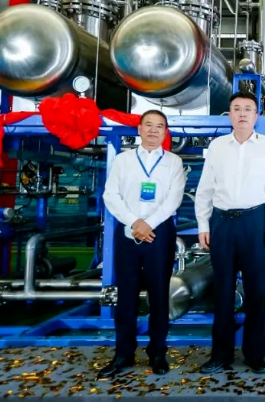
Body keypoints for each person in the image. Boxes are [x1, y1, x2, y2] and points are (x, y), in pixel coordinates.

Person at [194, 91, 265, 374]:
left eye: (248, 109)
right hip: (222, 223)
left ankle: (254, 354)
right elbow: (205, 188)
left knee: (256, 290)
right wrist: (203, 224)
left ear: (256, 115)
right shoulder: (217, 147)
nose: (242, 114)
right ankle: (220, 355)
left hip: (255, 222)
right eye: (236, 109)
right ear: (230, 114)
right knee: (222, 290)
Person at [100, 110, 186, 379]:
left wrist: (149, 224)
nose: (153, 130)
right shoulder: (123, 160)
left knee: (159, 295)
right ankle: (123, 353)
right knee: (126, 295)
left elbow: (174, 199)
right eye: (148, 125)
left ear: (165, 132)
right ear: (139, 129)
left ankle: (157, 352)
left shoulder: (173, 162)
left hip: (160, 234)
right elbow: (110, 195)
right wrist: (134, 222)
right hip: (128, 233)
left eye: (159, 126)